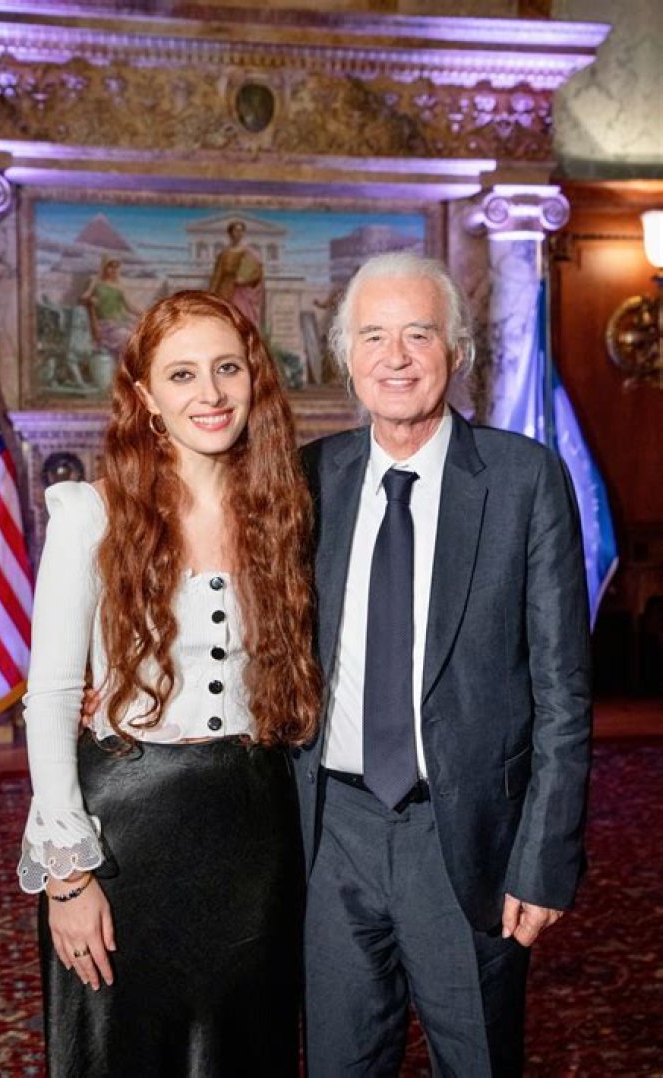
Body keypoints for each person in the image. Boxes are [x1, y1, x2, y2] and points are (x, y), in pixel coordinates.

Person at [293, 252, 592, 1077]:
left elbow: (563, 692)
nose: (395, 357)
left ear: (457, 351)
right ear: (346, 357)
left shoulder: (523, 479)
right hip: (333, 835)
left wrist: (545, 858)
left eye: (418, 334)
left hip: (465, 839)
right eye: (373, 336)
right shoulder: (311, 478)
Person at [17, 290, 320, 1076]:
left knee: (245, 1050)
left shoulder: (286, 510)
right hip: (127, 833)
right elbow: (51, 698)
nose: (209, 393)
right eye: (181, 374)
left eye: (227, 368)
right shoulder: (90, 513)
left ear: (254, 377)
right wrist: (68, 877)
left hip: (255, 832)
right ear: (146, 396)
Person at [79, 254, 140, 361]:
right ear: (104, 267)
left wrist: (146, 313)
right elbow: (83, 298)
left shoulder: (119, 286)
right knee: (127, 338)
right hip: (104, 325)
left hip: (120, 322)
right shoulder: (96, 282)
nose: (113, 270)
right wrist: (90, 300)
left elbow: (129, 306)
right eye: (110, 266)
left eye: (116, 267)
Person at [209, 220, 265, 330]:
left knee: (242, 319)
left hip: (242, 292)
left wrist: (244, 280)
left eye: (241, 231)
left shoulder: (249, 253)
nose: (238, 233)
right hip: (225, 290)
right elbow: (217, 276)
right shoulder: (224, 255)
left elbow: (257, 273)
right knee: (228, 320)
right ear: (230, 233)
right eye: (236, 230)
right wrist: (211, 294)